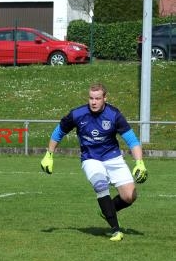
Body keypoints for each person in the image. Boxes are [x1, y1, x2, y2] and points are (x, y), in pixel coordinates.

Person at [40, 83, 147, 242]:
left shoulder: (114, 115)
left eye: (97, 98)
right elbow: (59, 131)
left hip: (113, 157)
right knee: (100, 184)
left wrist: (139, 163)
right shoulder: (77, 114)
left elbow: (132, 140)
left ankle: (107, 210)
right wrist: (49, 155)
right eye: (91, 98)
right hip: (91, 158)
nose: (94, 102)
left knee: (130, 196)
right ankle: (115, 230)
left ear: (105, 98)